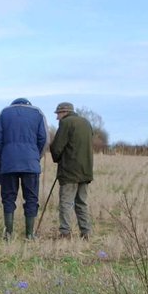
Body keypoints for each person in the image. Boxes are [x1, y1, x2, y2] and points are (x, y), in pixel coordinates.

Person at [0, 97, 47, 239]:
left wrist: (3, 156)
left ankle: (9, 234)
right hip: (31, 163)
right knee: (31, 198)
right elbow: (44, 139)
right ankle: (29, 234)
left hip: (9, 162)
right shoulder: (38, 113)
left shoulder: (4, 113)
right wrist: (36, 156)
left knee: (8, 198)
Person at [49, 102, 94, 239]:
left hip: (69, 171)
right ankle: (86, 232)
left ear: (64, 112)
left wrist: (56, 158)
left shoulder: (66, 123)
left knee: (66, 203)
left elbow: (57, 147)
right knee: (82, 203)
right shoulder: (86, 123)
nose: (57, 118)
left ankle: (65, 232)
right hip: (86, 170)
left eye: (58, 114)